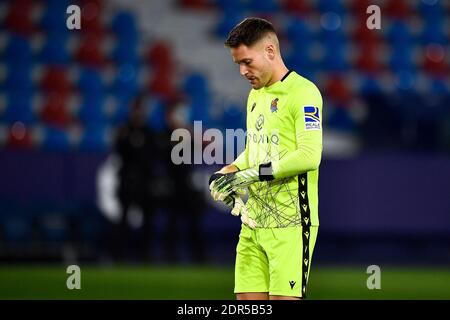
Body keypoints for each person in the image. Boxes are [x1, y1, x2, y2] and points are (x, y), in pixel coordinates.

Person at [209, 17, 323, 300]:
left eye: (247, 62)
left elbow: (310, 156)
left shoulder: (304, 93)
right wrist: (231, 170)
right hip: (253, 222)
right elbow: (255, 149)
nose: (243, 71)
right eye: (238, 65)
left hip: (291, 224)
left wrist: (250, 175)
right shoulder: (255, 95)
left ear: (270, 51)